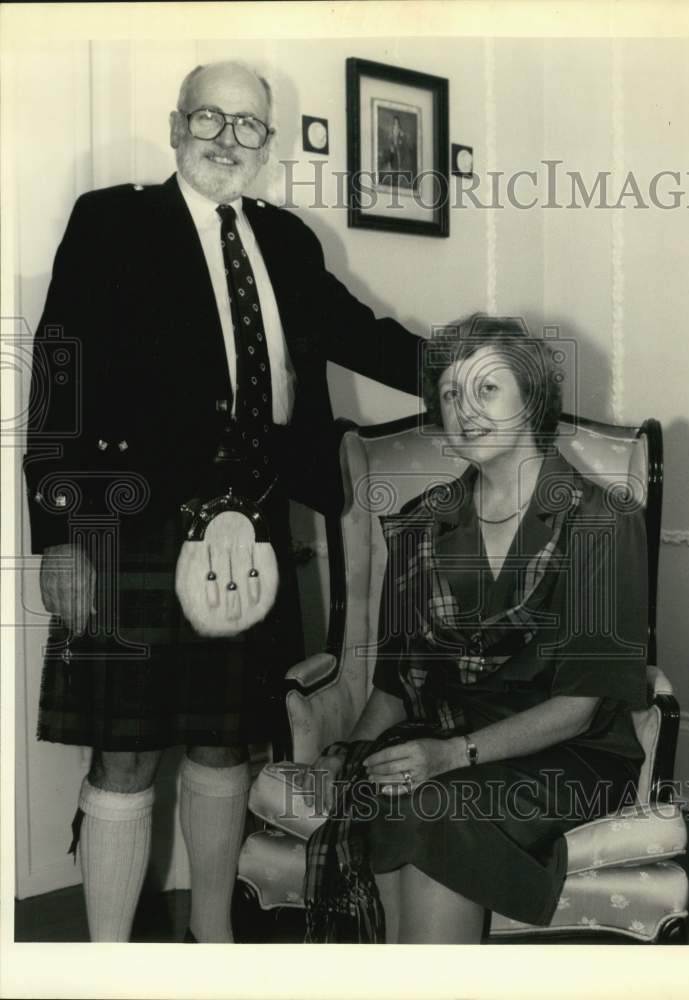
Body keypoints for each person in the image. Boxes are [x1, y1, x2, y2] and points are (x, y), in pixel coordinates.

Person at [24, 60, 424, 943]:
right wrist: (58, 534)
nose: (226, 138)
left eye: (247, 125)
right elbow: (60, 377)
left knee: (224, 744)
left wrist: (461, 369)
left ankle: (212, 943)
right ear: (177, 125)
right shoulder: (114, 221)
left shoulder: (286, 239)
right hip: (130, 526)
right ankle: (107, 961)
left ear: (267, 144)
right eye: (209, 118)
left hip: (258, 525)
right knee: (125, 752)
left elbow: (357, 333)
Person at [304, 314, 648, 943]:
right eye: (451, 394)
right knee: (388, 796)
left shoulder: (601, 518)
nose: (466, 410)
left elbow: (579, 707)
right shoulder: (418, 525)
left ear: (533, 398)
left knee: (436, 807)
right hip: (444, 738)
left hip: (571, 757)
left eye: (487, 389)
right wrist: (345, 753)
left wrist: (447, 757)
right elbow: (394, 685)